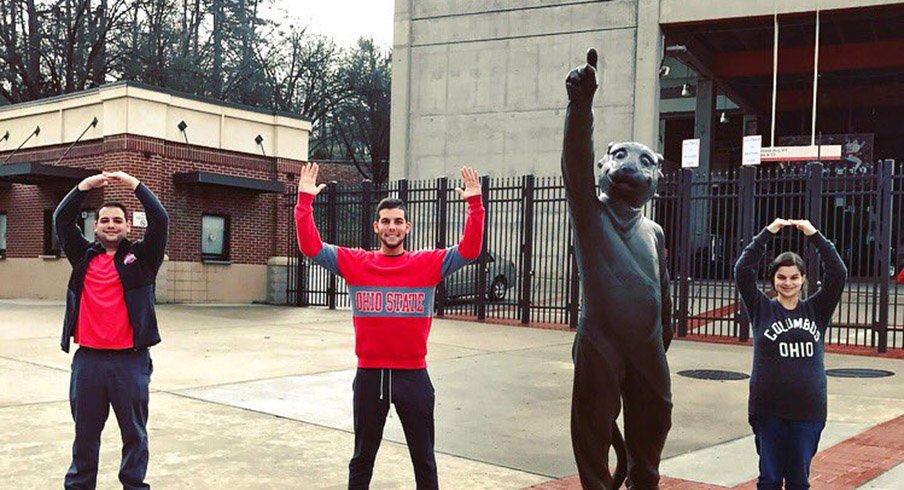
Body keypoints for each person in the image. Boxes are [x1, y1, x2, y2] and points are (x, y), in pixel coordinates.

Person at [294, 163, 485, 489]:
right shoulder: (357, 264)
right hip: (370, 376)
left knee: (424, 460)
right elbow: (311, 247)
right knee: (362, 460)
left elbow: (470, 250)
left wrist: (475, 205)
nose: (391, 227)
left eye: (398, 221)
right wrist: (304, 202)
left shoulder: (427, 265)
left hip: (413, 376)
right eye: (386, 221)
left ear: (407, 227)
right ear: (376, 227)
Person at [54, 171, 169, 490]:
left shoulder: (143, 258)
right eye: (105, 220)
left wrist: (132, 183)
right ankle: (79, 486)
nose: (111, 225)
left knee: (134, 433)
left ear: (127, 226)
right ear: (95, 226)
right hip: (88, 362)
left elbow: (160, 220)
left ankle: (134, 485)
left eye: (117, 220)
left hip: (130, 362)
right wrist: (83, 187)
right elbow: (62, 220)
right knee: (85, 434)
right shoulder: (83, 257)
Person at [734, 218, 847, 489]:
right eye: (781, 277)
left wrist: (814, 235)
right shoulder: (762, 308)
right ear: (773, 279)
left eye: (794, 277)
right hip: (768, 408)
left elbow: (838, 271)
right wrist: (767, 233)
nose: (788, 283)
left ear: (803, 279)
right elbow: (742, 269)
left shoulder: (817, 309)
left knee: (798, 480)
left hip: (808, 409)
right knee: (770, 479)